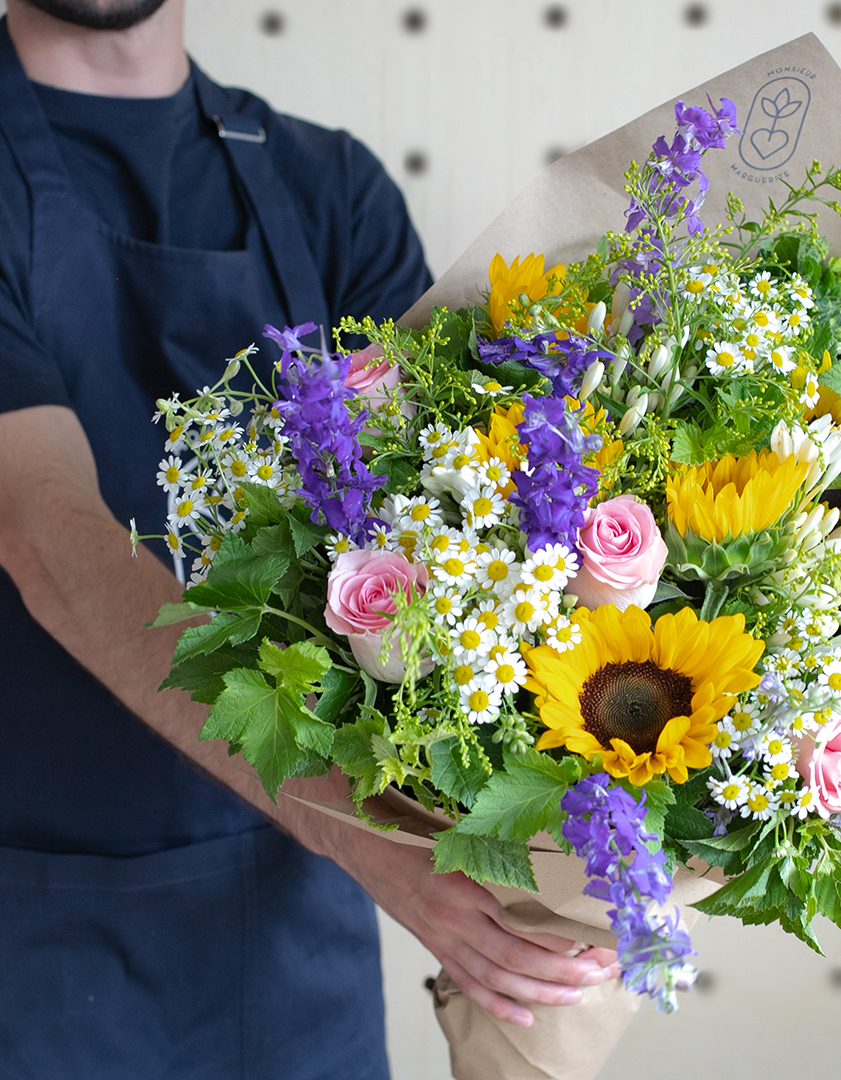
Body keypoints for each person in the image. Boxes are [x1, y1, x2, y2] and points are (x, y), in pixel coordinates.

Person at [0, 1, 618, 1076]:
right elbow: (44, 533)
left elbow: (459, 537)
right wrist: (374, 847)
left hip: (294, 935)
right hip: (40, 925)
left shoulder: (332, 189)